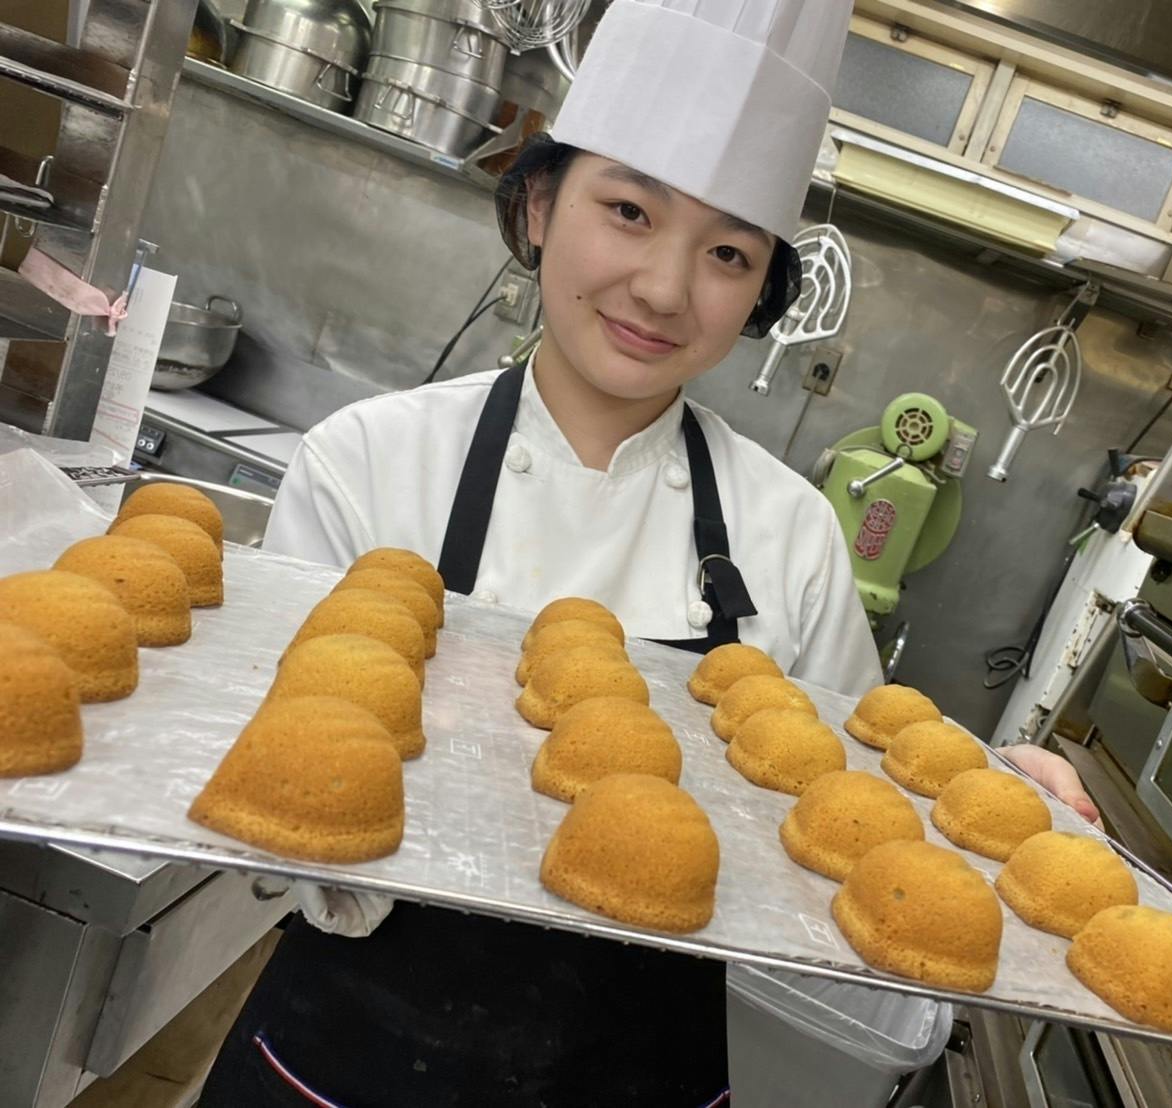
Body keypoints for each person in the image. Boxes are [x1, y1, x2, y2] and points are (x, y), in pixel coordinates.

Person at [199, 1, 1096, 1102]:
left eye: (727, 252)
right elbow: (270, 789)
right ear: (539, 205)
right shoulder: (369, 463)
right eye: (628, 210)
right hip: (343, 1057)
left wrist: (995, 807)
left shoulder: (789, 533)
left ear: (760, 287)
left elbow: (850, 813)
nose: (665, 289)